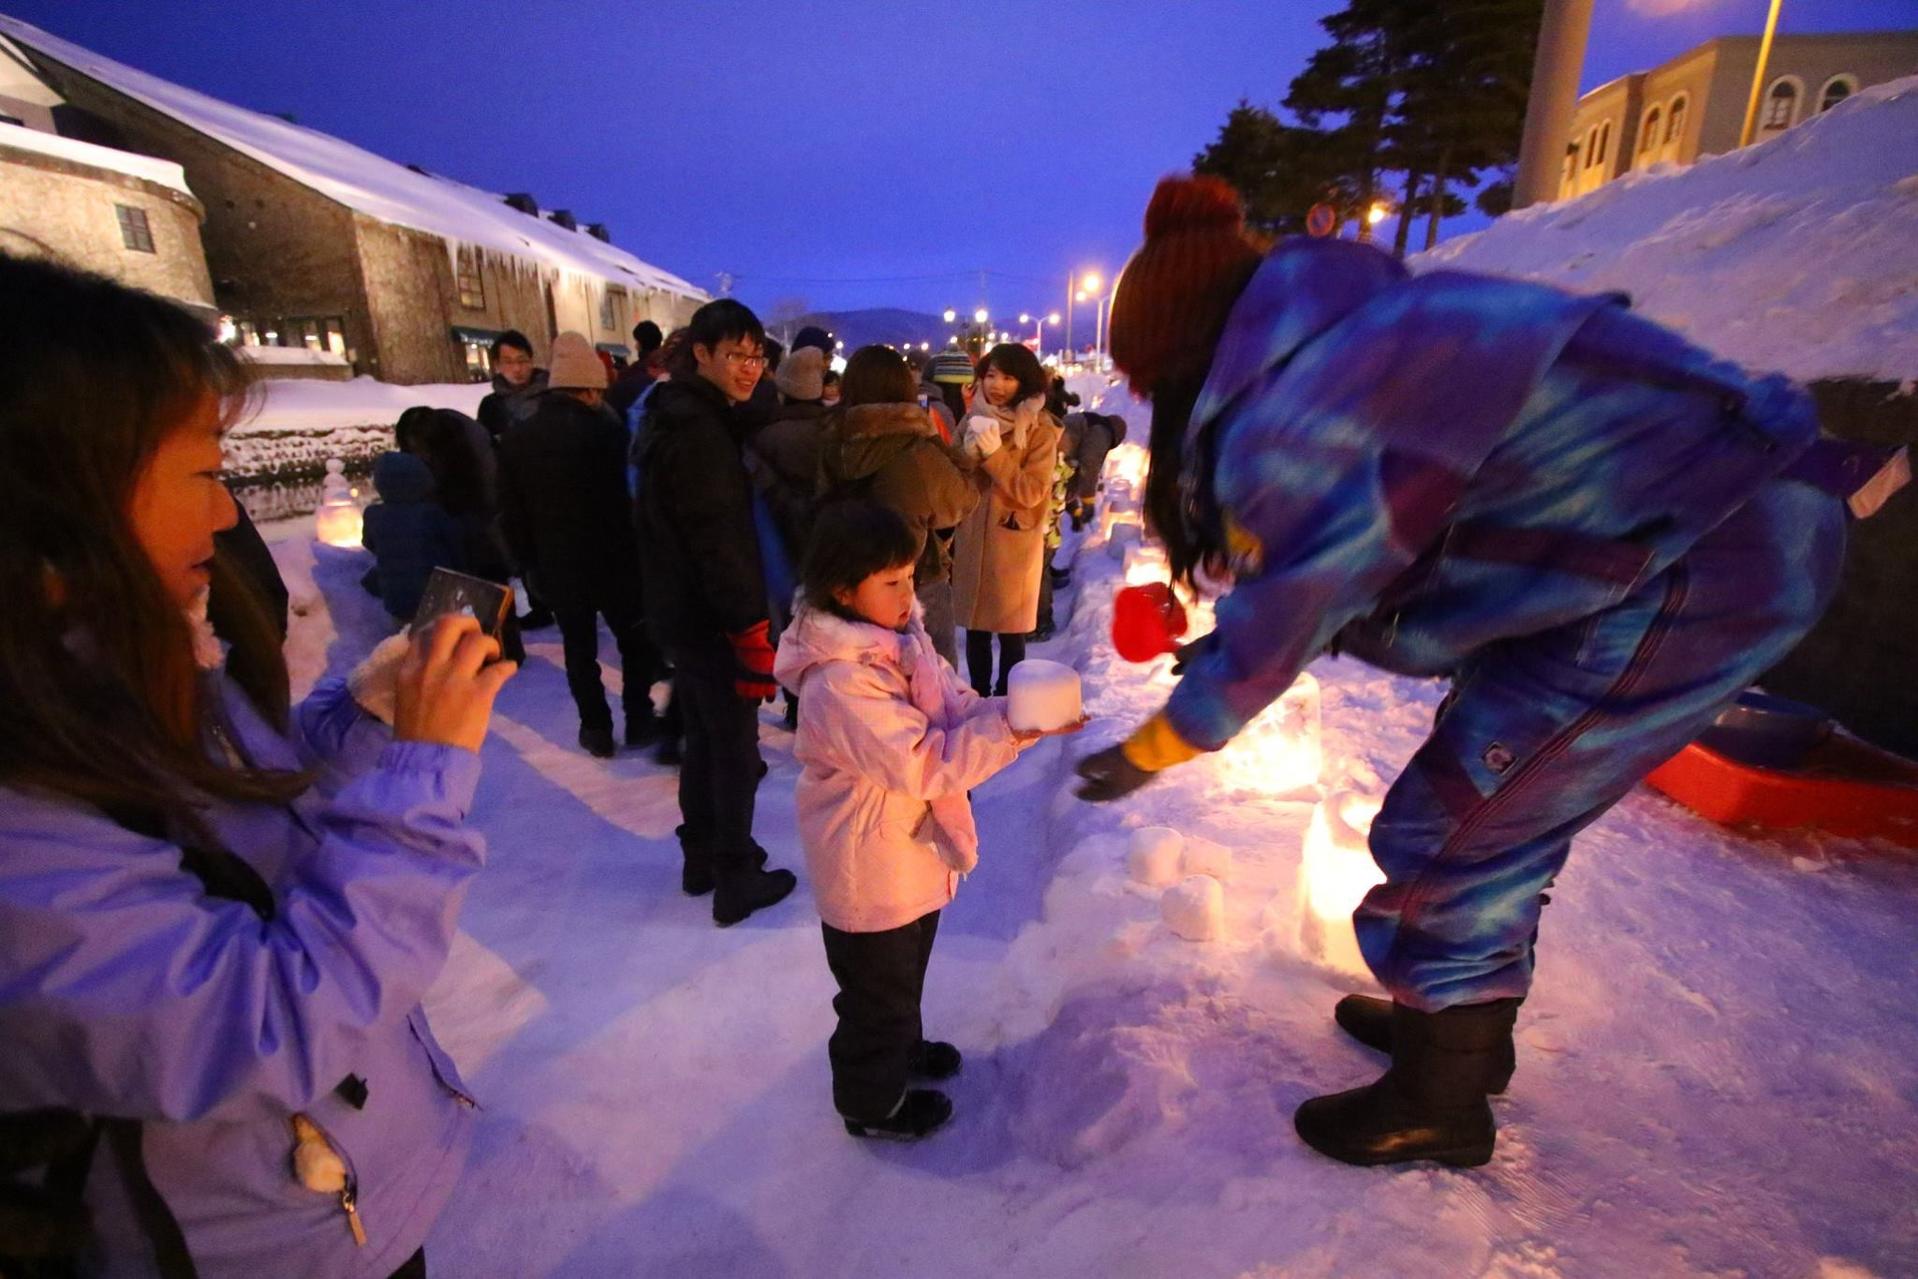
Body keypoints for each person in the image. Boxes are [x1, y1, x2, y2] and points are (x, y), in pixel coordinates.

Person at [1076, 175, 1870, 1168]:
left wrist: (1154, 745)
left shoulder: (1301, 408)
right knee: (1489, 807)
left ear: (1185, 355)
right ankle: (1450, 1025)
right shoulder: (1352, 330)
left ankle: (1439, 1097)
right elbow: (1333, 567)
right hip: (1669, 535)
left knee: (1461, 820)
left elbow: (1287, 614)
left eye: (1150, 387)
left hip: (1700, 555)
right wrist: (1241, 629)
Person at [0, 254, 516, 1278]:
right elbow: (258, 1027)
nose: (227, 514)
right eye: (200, 473)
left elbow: (253, 813)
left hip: (333, 1196)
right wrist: (422, 771)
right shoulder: (25, 796)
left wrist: (367, 715)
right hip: (253, 1244)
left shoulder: (131, 658)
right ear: (67, 486)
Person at [773, 499, 1077, 1141]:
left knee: (902, 973)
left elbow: (957, 706)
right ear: (842, 591)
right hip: (867, 863)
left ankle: (902, 1055)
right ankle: (870, 1104)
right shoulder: (842, 685)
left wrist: (1023, 709)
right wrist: (1013, 730)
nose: (909, 593)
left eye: (911, 576)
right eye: (891, 582)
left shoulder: (901, 644)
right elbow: (924, 765)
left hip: (905, 851)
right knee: (874, 997)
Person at [634, 299, 798, 925]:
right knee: (732, 745)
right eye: (735, 354)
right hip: (712, 614)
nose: (749, 368)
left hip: (682, 609)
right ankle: (735, 873)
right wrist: (751, 631)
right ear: (700, 354)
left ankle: (701, 856)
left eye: (756, 355)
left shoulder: (675, 414)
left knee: (704, 737)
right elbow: (719, 541)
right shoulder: (700, 433)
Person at [498, 331, 661, 757]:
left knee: (579, 647)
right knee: (633, 642)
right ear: (590, 388)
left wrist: (528, 563)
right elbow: (634, 498)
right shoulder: (611, 435)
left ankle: (595, 728)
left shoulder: (520, 437)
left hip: (557, 564)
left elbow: (510, 511)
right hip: (616, 560)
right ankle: (639, 718)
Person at [818, 344, 977, 669]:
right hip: (914, 585)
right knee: (935, 689)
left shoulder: (829, 438)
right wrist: (935, 440)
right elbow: (962, 500)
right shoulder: (915, 449)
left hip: (846, 585)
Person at [950, 343, 1062, 696]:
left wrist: (994, 454)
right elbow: (954, 475)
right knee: (975, 631)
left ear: (1025, 383)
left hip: (1012, 546)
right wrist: (966, 455)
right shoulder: (972, 419)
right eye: (990, 375)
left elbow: (1031, 491)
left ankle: (1009, 702)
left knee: (1012, 635)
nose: (996, 385)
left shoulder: (1040, 430)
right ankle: (979, 699)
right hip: (972, 541)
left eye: (1008, 377)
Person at [361, 449, 463, 622]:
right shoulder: (431, 514)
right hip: (435, 594)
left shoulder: (373, 514)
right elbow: (455, 546)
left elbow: (369, 543)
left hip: (395, 600)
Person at [475, 329, 545, 444]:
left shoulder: (550, 397)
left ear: (531, 361)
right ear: (497, 365)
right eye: (508, 362)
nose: (516, 368)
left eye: (521, 361)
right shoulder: (490, 405)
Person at [606, 319, 665, 419]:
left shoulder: (632, 373)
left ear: (641, 344)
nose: (635, 346)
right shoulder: (671, 366)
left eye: (637, 342)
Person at [905, 347, 956, 442]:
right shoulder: (942, 408)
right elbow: (951, 448)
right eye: (912, 369)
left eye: (917, 369)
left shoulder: (900, 406)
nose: (914, 373)